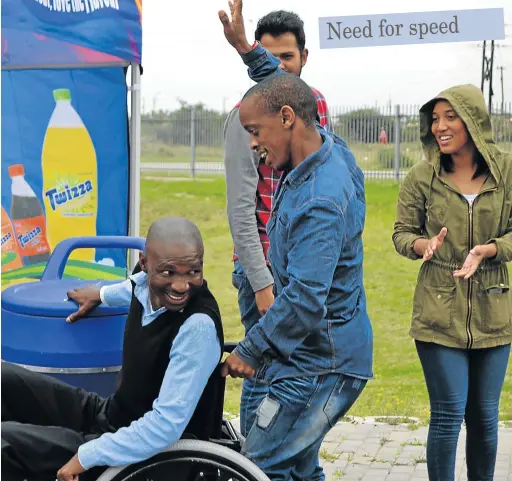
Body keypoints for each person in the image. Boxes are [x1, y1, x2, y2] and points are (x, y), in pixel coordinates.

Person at [218, 5, 373, 479]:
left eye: (255, 132)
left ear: (286, 120)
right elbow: (291, 91)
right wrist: (249, 51)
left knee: (256, 466)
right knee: (298, 468)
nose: (251, 146)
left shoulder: (320, 201)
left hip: (322, 362)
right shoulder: (319, 141)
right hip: (306, 351)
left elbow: (305, 301)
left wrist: (249, 350)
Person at [1, 217, 224, 481]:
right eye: (168, 272)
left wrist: (87, 455)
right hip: (112, 414)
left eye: (193, 272)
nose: (181, 285)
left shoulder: (197, 327)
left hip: (142, 454)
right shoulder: (144, 285)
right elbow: (133, 287)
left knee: (5, 443)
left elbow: (165, 426)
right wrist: (100, 294)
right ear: (144, 263)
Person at [392, 84, 512, 481]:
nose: (439, 126)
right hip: (438, 308)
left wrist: (488, 251)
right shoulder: (422, 176)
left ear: (474, 121)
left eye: (450, 117)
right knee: (448, 413)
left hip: (495, 308)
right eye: (435, 119)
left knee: (484, 415)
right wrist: (422, 245)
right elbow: (402, 233)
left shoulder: (506, 171)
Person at [223, 9, 330, 437]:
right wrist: (263, 286)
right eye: (270, 58)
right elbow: (240, 214)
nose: (280, 67)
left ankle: (291, 457)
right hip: (262, 272)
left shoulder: (315, 106)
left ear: (304, 56)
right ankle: (254, 457)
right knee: (260, 370)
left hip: (299, 269)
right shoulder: (243, 119)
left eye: (287, 56)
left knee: (299, 376)